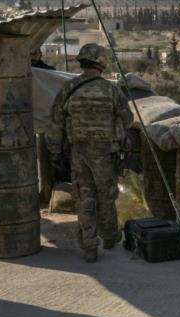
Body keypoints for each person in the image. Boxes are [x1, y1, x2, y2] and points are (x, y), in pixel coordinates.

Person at [47, 43, 132, 263]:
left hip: (78, 151)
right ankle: (110, 237)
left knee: (84, 195)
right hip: (104, 152)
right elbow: (127, 118)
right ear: (102, 62)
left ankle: (89, 246)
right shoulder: (111, 90)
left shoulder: (69, 88)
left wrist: (55, 154)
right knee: (106, 195)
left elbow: (55, 125)